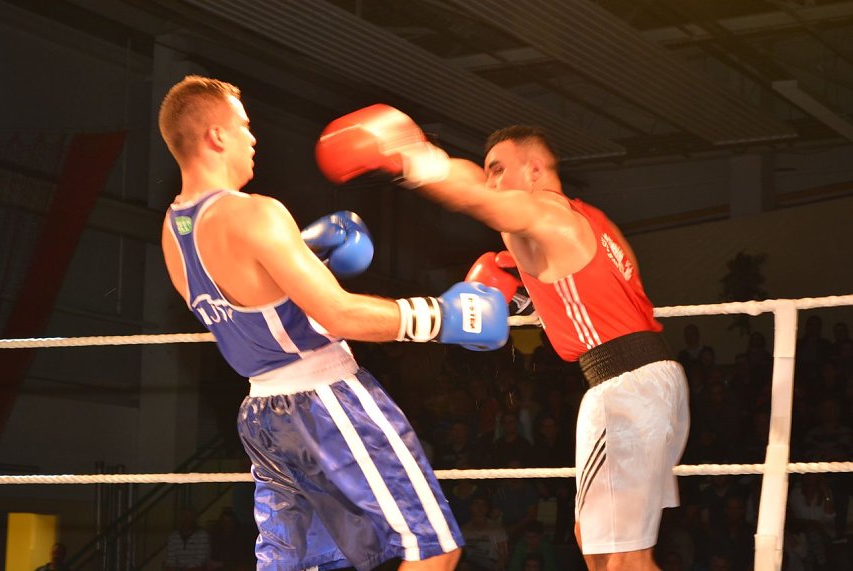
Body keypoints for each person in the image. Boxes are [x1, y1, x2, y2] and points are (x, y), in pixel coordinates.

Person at [158, 76, 511, 570]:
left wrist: (311, 263)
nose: (253, 138)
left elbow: (253, 308)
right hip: (325, 401)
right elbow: (338, 314)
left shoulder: (174, 232)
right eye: (243, 126)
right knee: (432, 548)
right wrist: (443, 315)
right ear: (216, 136)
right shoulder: (255, 214)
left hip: (262, 415)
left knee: (301, 565)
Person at [316, 106, 690, 570]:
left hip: (624, 389)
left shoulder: (543, 212)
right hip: (650, 381)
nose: (491, 182)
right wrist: (523, 296)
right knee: (603, 544)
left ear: (535, 170)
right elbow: (595, 295)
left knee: (621, 558)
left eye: (498, 170)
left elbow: (478, 200)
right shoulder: (588, 220)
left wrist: (409, 156)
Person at [163, 506, 212, 571]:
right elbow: (170, 558)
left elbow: (200, 560)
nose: (187, 519)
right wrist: (171, 567)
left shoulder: (202, 535)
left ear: (194, 519)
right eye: (184, 516)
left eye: (190, 517)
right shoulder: (173, 536)